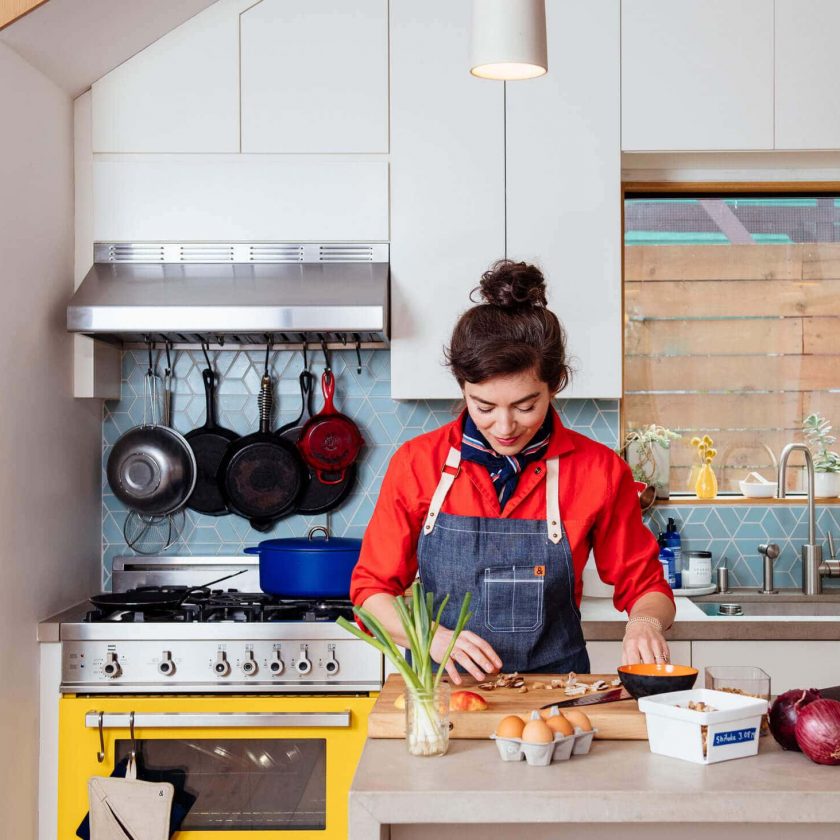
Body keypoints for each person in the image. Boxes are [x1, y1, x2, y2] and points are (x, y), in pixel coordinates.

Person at [350, 260, 675, 683]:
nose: (504, 427)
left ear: (555, 384)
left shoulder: (599, 470)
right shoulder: (417, 464)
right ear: (462, 386)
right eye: (483, 406)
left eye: (525, 406)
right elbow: (371, 593)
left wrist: (645, 623)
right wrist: (431, 637)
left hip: (555, 695)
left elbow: (647, 586)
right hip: (443, 693)